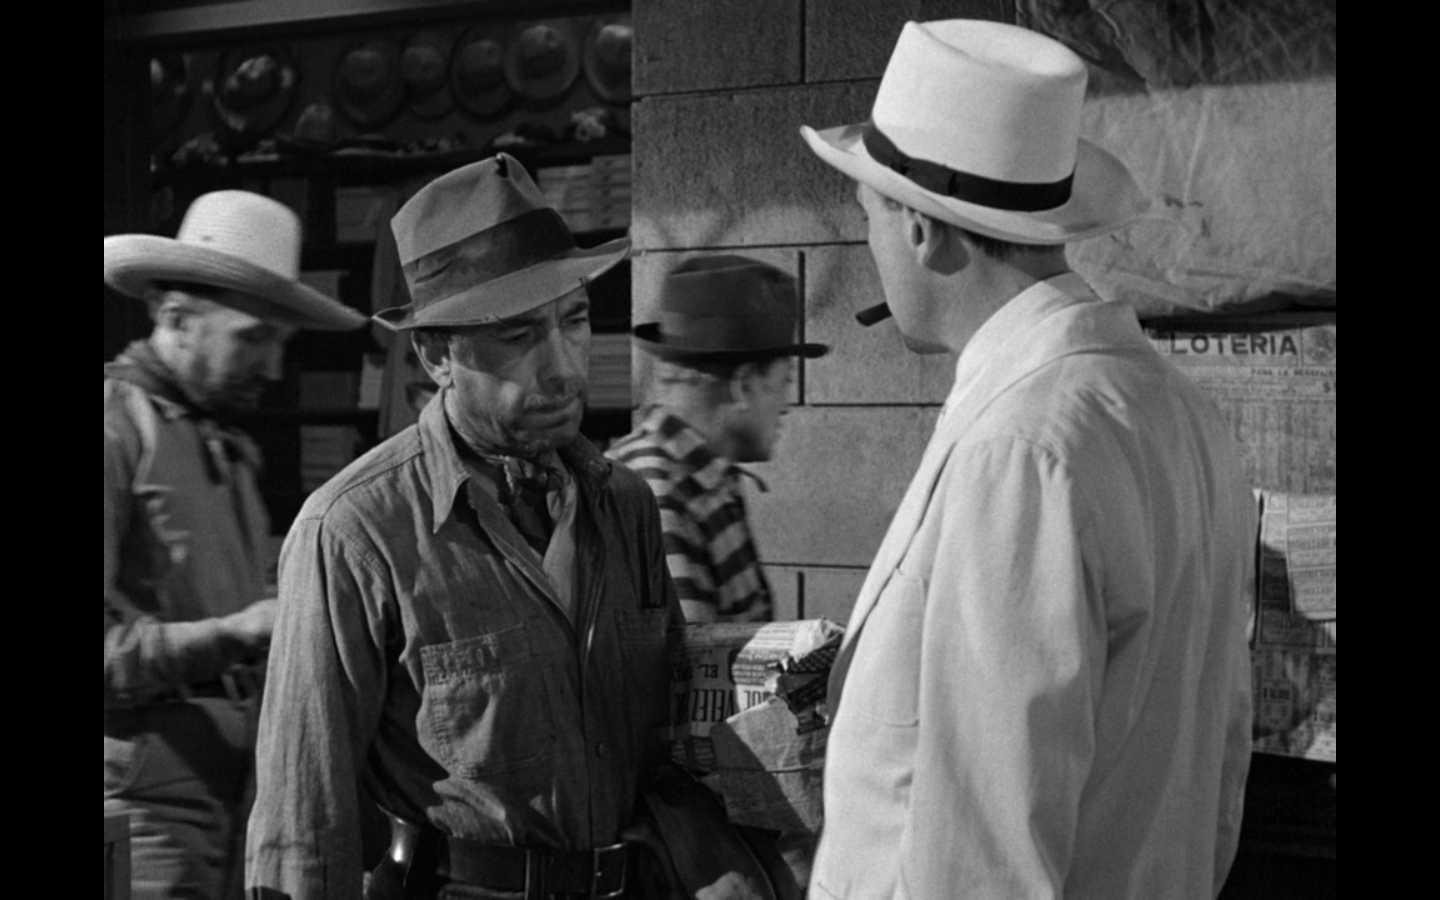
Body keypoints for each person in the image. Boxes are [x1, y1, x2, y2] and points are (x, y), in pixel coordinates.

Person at [798, 20, 1256, 899]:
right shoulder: (1179, 411)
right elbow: (1221, 770)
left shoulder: (1020, 450)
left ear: (921, 229)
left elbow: (981, 859)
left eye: (869, 218)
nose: (872, 249)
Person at [244, 154, 683, 900]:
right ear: (435, 354)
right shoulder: (355, 532)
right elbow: (305, 824)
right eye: (518, 335)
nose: (563, 368)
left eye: (575, 321)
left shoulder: (624, 505)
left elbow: (666, 746)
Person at [104, 190, 367, 899]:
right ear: (175, 317)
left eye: (280, 343)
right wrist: (241, 630)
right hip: (140, 808)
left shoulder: (220, 440)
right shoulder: (115, 428)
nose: (273, 367)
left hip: (232, 795)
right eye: (252, 339)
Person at [608, 256, 829, 623]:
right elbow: (688, 657)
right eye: (783, 382)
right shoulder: (656, 498)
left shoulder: (705, 480)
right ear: (743, 385)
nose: (785, 406)